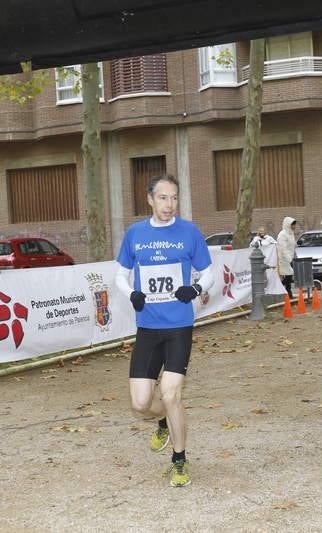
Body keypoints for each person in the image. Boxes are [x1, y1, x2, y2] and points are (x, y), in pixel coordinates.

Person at [115, 174, 214, 488]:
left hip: (178, 327)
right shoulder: (135, 234)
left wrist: (196, 287)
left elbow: (209, 273)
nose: (169, 205)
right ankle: (162, 421)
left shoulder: (189, 232)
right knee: (140, 403)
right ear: (150, 199)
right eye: (163, 198)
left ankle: (180, 459)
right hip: (148, 328)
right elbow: (120, 275)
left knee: (171, 394)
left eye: (173, 198)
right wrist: (131, 293)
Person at [276, 217, 297, 298]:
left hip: (289, 258)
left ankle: (286, 291)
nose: (294, 226)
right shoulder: (282, 235)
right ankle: (285, 291)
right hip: (284, 259)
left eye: (294, 225)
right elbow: (283, 248)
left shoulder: (291, 234)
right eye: (292, 225)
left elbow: (291, 246)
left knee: (289, 276)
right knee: (288, 275)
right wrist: (288, 258)